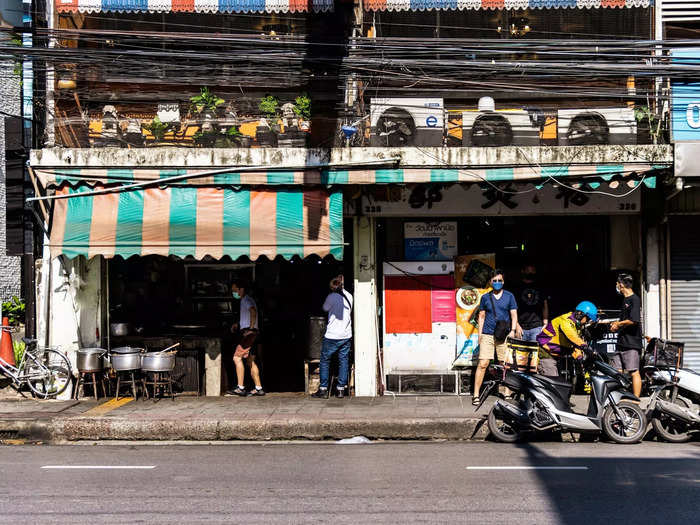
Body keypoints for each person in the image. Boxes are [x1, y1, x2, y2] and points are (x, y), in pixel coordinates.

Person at [472, 269, 520, 406]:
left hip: (504, 334)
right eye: (495, 281)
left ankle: (507, 392)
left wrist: (513, 330)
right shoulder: (485, 297)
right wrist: (479, 334)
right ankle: (476, 394)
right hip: (487, 333)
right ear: (490, 282)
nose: (497, 283)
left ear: (503, 282)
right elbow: (481, 316)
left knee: (505, 364)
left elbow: (514, 315)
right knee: (483, 363)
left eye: (500, 280)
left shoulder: (510, 296)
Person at [312, 275, 353, 399]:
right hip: (346, 335)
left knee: (325, 361)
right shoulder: (350, 296)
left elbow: (324, 308)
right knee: (343, 361)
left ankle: (323, 389)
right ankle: (341, 389)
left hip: (332, 335)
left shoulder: (331, 297)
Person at [536, 301, 598, 379]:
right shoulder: (565, 321)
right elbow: (572, 336)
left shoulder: (577, 326)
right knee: (553, 383)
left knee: (561, 384)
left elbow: (574, 346)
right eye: (588, 318)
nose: (587, 321)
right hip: (546, 354)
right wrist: (585, 347)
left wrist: (580, 358)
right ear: (580, 314)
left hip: (556, 356)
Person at [228, 279, 264, 397]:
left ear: (241, 289)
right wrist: (238, 324)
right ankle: (258, 388)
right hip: (253, 333)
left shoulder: (246, 299)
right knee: (250, 361)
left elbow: (253, 311)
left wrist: (250, 329)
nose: (234, 292)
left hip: (250, 334)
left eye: (234, 290)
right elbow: (248, 315)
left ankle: (240, 387)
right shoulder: (247, 300)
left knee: (236, 358)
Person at [609, 273, 643, 397]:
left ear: (622, 284)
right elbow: (625, 322)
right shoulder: (625, 300)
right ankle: (617, 397)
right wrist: (616, 326)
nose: (616, 286)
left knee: (634, 371)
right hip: (621, 342)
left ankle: (636, 400)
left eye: (617, 283)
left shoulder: (635, 299)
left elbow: (633, 320)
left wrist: (618, 324)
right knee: (616, 371)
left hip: (631, 343)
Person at [513, 264, 549, 343]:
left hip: (537, 327)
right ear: (523, 271)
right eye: (528, 270)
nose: (530, 272)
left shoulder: (540, 286)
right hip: (521, 328)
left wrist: (545, 323)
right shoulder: (517, 287)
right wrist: (516, 325)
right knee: (520, 354)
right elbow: (512, 309)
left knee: (535, 354)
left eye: (533, 270)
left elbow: (545, 305)